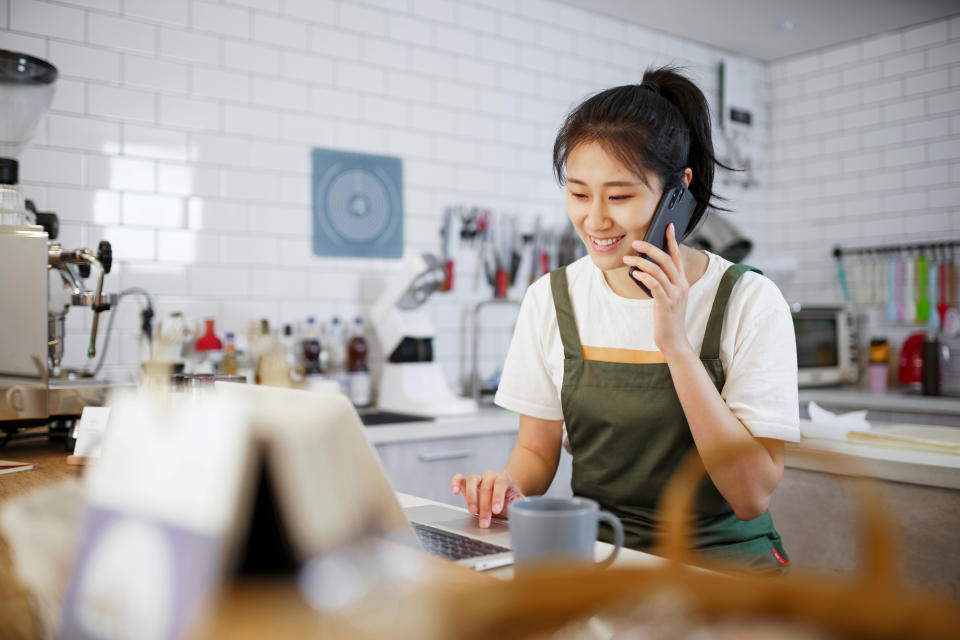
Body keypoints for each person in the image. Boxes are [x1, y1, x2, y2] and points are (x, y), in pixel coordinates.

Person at [450, 66, 800, 573]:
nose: (594, 220)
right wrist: (510, 485)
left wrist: (676, 344)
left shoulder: (748, 300)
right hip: (599, 559)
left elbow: (750, 496)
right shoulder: (551, 298)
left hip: (722, 567)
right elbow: (536, 448)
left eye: (619, 197)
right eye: (577, 194)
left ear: (679, 192)